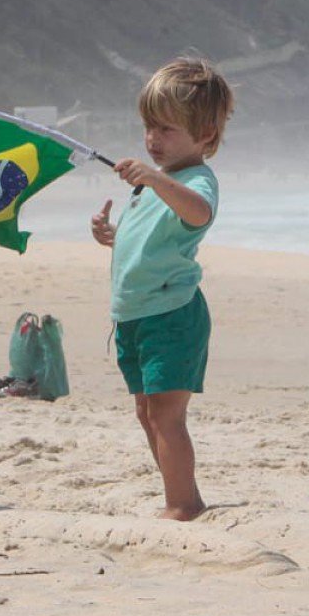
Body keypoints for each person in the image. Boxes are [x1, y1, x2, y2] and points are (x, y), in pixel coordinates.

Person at [90, 57, 235, 521]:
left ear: (205, 138)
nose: (153, 140)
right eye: (149, 127)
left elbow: (197, 215)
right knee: (146, 413)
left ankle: (182, 504)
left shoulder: (195, 180)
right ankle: (180, 495)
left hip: (172, 314)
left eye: (166, 129)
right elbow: (154, 239)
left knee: (167, 416)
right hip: (134, 314)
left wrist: (155, 178)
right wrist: (112, 234)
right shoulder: (151, 187)